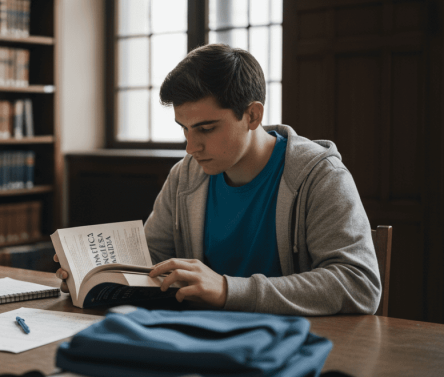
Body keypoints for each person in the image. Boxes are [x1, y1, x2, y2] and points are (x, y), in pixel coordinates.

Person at [54, 43, 381, 315]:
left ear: (252, 115)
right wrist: (94, 278)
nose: (191, 147)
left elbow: (359, 284)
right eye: (184, 128)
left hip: (294, 348)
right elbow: (151, 261)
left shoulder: (320, 176)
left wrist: (228, 290)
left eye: (206, 129)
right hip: (200, 341)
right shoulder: (185, 176)